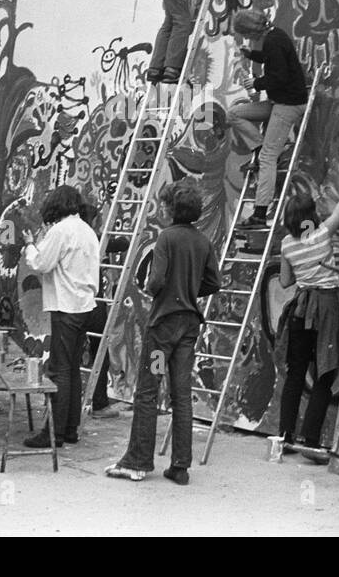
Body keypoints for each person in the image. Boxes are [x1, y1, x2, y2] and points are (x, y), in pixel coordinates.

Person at [106, 182, 220, 485]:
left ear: (171, 209)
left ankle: (138, 460)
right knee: (181, 395)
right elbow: (214, 283)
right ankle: (180, 466)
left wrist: (150, 287)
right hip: (188, 327)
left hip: (164, 328)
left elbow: (155, 281)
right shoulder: (203, 241)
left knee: (147, 390)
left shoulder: (167, 239)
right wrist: (190, 287)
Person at [276, 152, 339, 460]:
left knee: (296, 374)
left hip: (299, 310)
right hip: (325, 310)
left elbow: (283, 282)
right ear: (311, 215)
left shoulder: (286, 243)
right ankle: (310, 440)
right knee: (325, 373)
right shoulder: (323, 234)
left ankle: (284, 437)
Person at [21, 185, 100, 448]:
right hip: (85, 305)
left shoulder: (61, 230)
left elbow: (41, 264)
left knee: (59, 370)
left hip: (66, 306)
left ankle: (53, 432)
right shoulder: (87, 231)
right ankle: (70, 429)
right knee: (73, 369)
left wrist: (30, 245)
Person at [227, 8, 309, 230]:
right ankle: (258, 146)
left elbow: (279, 77)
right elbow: (272, 60)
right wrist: (251, 55)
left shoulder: (273, 41)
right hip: (280, 101)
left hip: (288, 104)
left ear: (250, 31)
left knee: (268, 158)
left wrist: (256, 84)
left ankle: (260, 213)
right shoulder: (275, 36)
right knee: (234, 114)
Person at [79, 197, 126, 419]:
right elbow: (120, 243)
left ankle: (75, 403)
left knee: (75, 354)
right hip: (93, 304)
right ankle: (99, 404)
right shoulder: (94, 238)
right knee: (100, 353)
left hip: (73, 305)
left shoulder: (71, 238)